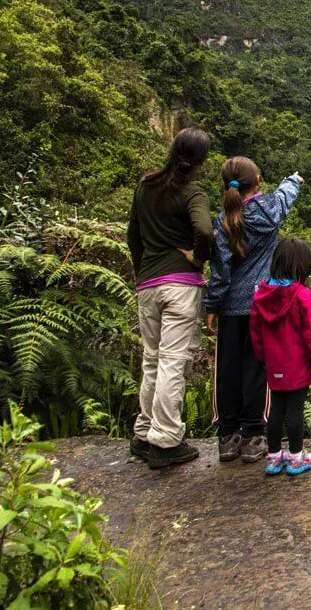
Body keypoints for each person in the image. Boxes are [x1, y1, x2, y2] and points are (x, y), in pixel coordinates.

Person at [205, 157, 303, 464]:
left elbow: (220, 271)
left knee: (227, 370)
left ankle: (227, 437)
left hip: (230, 307)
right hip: (261, 306)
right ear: (258, 181)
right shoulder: (268, 210)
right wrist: (293, 180)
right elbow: (285, 198)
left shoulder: (223, 221)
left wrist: (212, 305)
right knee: (257, 369)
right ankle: (252, 437)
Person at [127, 127, 213, 469]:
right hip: (180, 286)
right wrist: (198, 258)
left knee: (151, 359)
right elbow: (204, 231)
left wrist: (143, 273)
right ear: (201, 162)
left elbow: (133, 235)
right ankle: (165, 441)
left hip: (148, 284)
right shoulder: (193, 194)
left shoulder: (145, 186)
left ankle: (143, 433)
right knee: (172, 361)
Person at [251, 239, 311, 476]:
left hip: (273, 365)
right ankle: (296, 457)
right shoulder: (302, 295)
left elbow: (256, 333)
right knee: (295, 410)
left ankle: (274, 457)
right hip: (297, 366)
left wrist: (263, 359)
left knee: (276, 410)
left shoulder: (261, 295)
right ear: (301, 266)